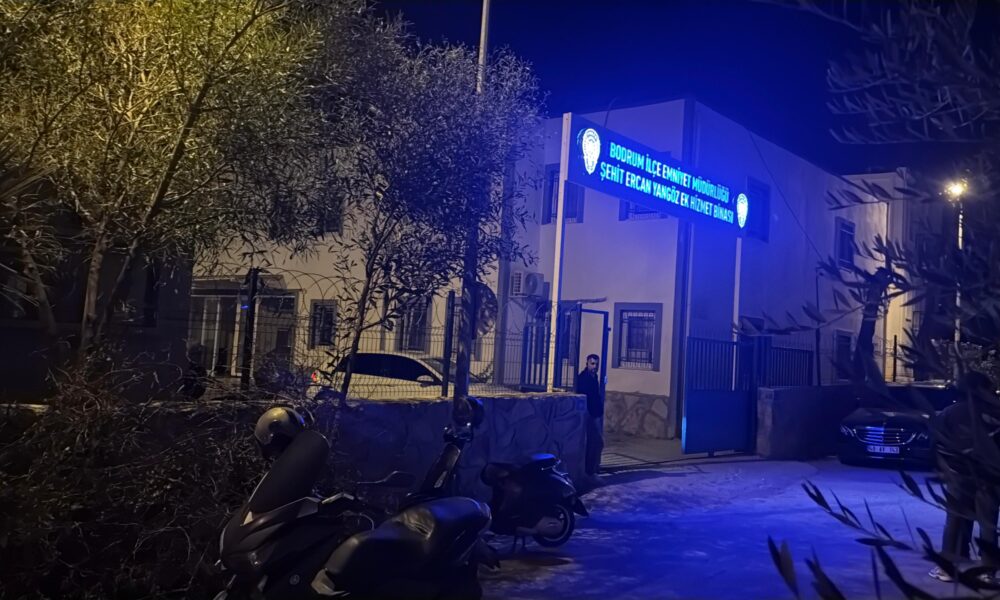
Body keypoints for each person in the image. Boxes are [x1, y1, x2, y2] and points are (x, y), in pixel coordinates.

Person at [929, 371, 1000, 583]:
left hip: (958, 475)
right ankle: (987, 571)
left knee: (955, 519)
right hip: (990, 477)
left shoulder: (949, 413)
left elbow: (935, 443)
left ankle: (948, 568)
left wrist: (945, 467)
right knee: (988, 523)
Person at [575, 353, 604, 485]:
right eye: (592, 364)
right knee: (595, 443)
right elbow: (585, 397)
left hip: (595, 414)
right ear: (587, 363)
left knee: (596, 443)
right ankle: (590, 471)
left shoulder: (594, 377)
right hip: (590, 415)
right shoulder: (583, 378)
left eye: (596, 364)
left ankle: (592, 469)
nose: (595, 367)